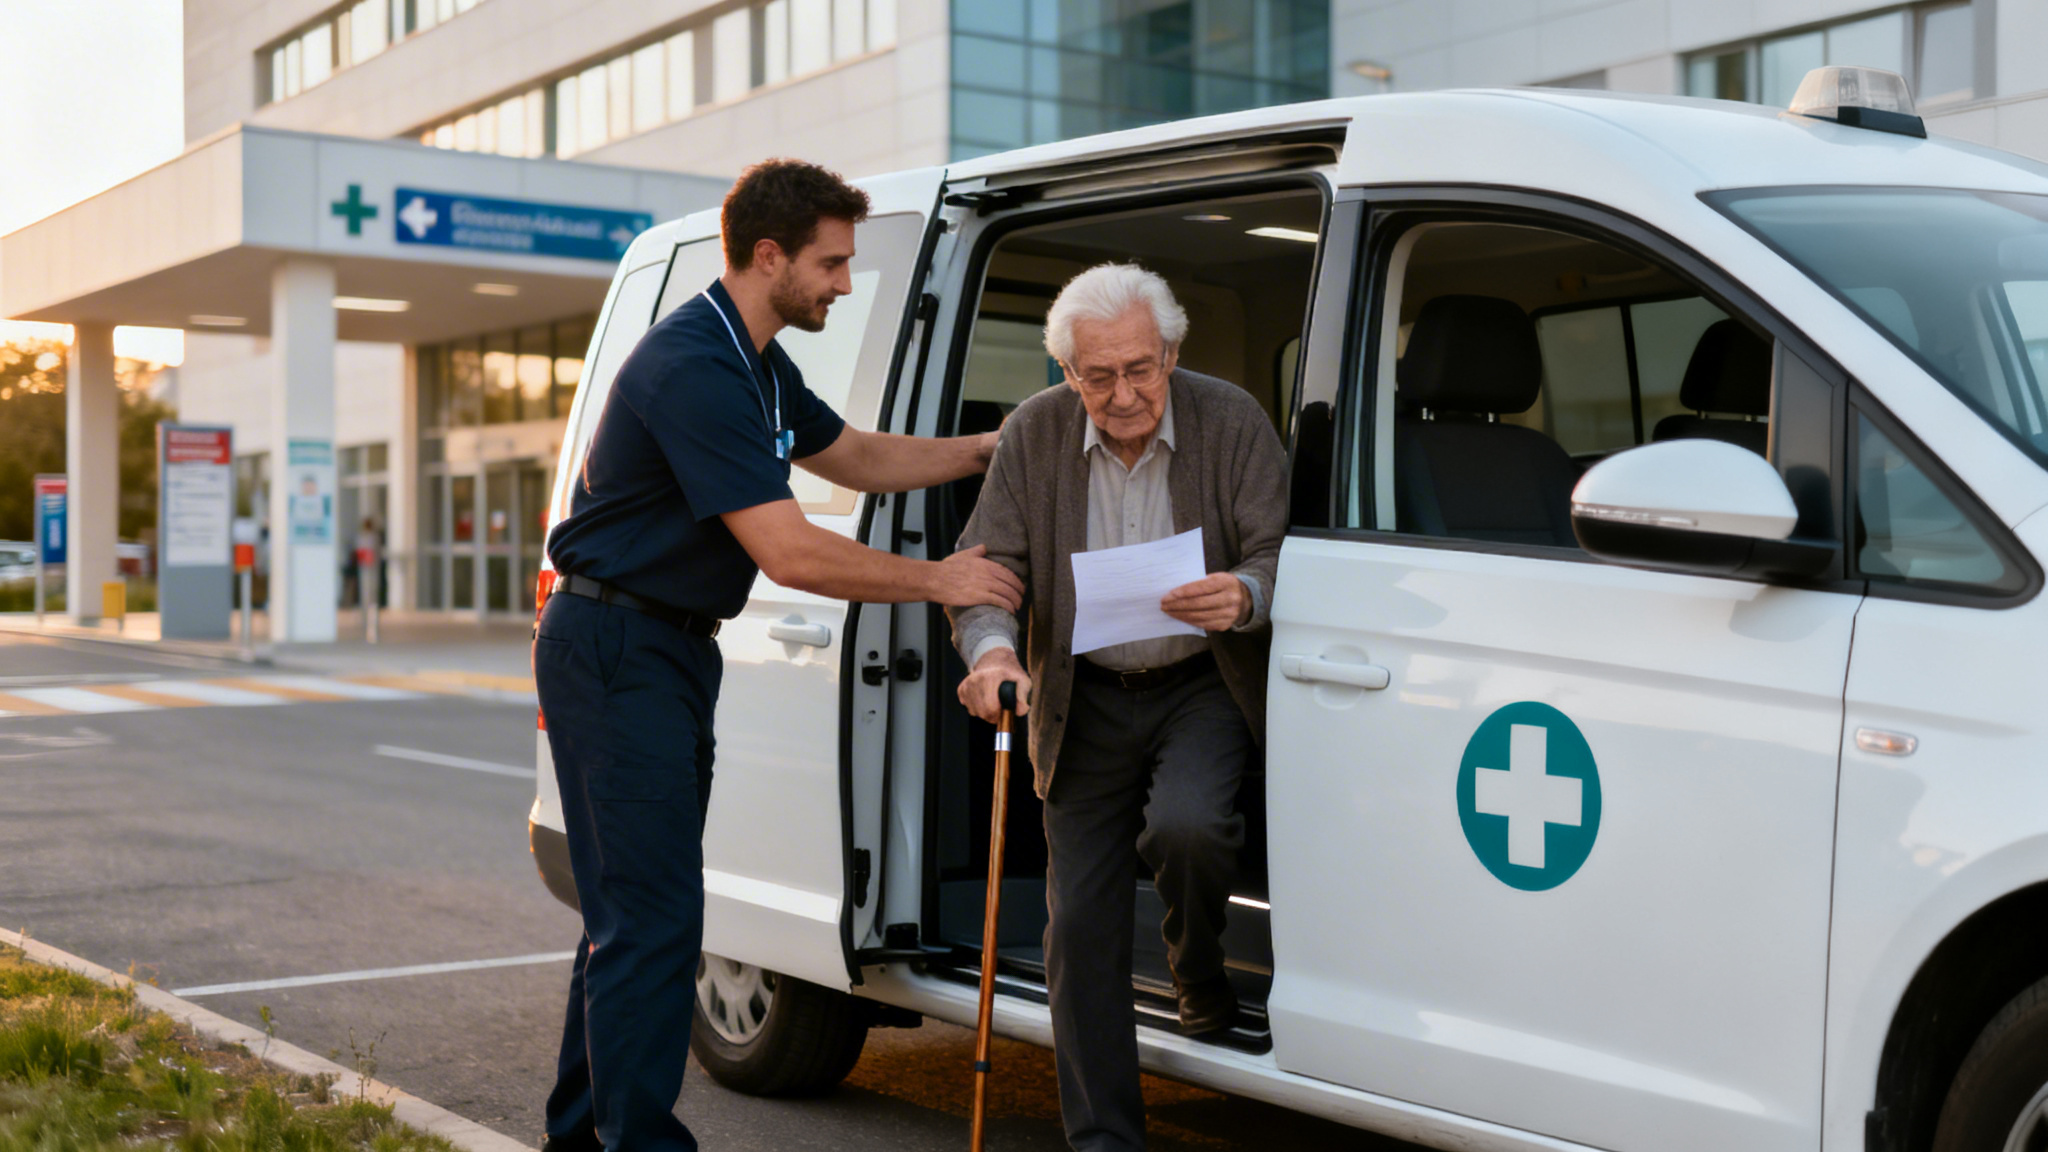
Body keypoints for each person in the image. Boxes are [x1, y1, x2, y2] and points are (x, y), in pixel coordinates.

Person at [536, 158, 1024, 1152]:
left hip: (661, 650)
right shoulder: (694, 367)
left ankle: (581, 1138)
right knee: (656, 925)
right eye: (832, 263)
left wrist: (990, 446)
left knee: (633, 917)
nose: (844, 283)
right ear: (770, 257)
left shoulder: (752, 360)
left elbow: (856, 455)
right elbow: (790, 554)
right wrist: (944, 580)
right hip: (618, 647)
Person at [950, 263, 1287, 1152]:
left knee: (1191, 829)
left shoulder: (1232, 420)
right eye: (1096, 376)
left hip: (1200, 684)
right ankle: (1104, 1139)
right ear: (1067, 373)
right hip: (1083, 696)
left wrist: (1247, 595)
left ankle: (1196, 965)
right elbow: (983, 568)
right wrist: (989, 653)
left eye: (1140, 368)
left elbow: (1278, 547)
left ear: (1171, 353)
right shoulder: (1035, 434)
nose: (1123, 394)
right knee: (1081, 929)